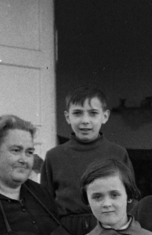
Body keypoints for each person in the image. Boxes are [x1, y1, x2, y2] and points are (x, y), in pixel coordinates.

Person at [42, 84, 134, 215]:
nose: (85, 120)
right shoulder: (54, 156)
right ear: (68, 117)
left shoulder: (118, 153)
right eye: (77, 113)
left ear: (105, 116)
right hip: (65, 230)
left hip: (109, 226)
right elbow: (45, 203)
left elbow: (130, 198)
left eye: (93, 113)